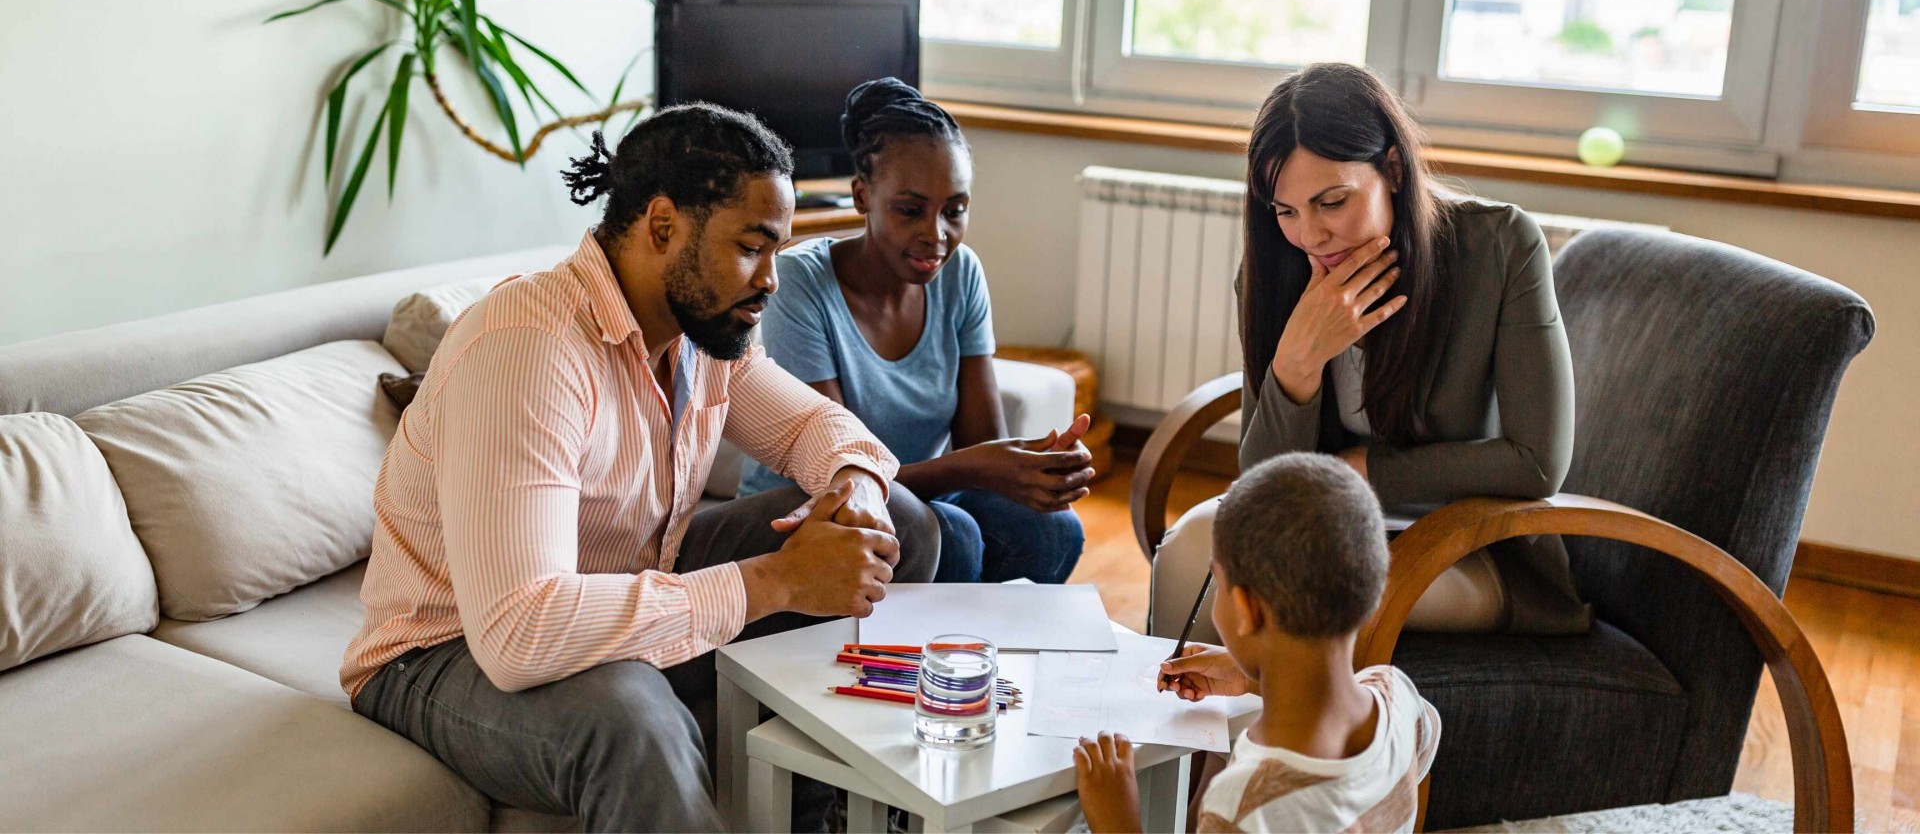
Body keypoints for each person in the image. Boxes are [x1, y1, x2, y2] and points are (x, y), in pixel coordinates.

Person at [340, 103, 940, 831]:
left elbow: (822, 429)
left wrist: (858, 490)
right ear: (663, 227)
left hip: (618, 586)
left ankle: (814, 809)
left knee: (899, 521)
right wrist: (776, 580)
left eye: (778, 251)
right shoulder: (529, 348)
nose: (772, 280)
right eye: (753, 246)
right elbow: (519, 632)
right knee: (630, 715)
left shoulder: (701, 336)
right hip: (441, 652)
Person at [1149, 62, 1586, 641]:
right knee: (1186, 552)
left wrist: (1363, 470)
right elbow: (1262, 479)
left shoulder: (1498, 246)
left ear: (1395, 170)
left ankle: (1268, 731)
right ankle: (1184, 732)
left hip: (1465, 547)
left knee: (1286, 585)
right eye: (1285, 211)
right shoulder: (1276, 271)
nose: (1309, 235)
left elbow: (1537, 462)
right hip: (1326, 525)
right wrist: (1298, 364)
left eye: (1332, 202)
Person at [737, 77, 1091, 584]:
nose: (936, 235)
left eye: (955, 210)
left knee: (1053, 529)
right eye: (910, 210)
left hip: (915, 490)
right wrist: (984, 465)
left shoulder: (961, 273)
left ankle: (977, 655)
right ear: (862, 196)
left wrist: (1035, 464)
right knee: (954, 532)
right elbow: (835, 464)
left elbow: (979, 443)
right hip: (811, 500)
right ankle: (918, 661)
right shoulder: (800, 283)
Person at [1075, 453, 1440, 833]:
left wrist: (1118, 822)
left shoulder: (1244, 808)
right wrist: (1253, 678)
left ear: (1248, 609)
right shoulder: (1399, 697)